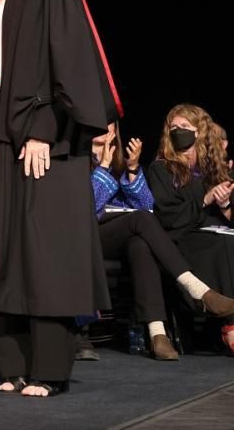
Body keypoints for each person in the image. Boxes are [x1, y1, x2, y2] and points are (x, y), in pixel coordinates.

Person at [0, 0, 122, 397]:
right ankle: (13, 365)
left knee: (46, 250)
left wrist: (44, 128)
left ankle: (51, 369)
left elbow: (71, 62)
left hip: (44, 134)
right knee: (7, 246)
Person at [93, 122, 234, 360]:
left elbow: (146, 206)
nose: (105, 132)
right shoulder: (76, 159)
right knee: (141, 222)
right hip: (87, 234)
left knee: (141, 242)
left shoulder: (120, 161)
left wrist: (132, 168)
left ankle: (157, 333)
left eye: (110, 128)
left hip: (124, 233)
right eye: (98, 126)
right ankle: (199, 290)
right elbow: (86, 207)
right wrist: (103, 166)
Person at [146, 104, 234, 355]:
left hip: (216, 232)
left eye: (185, 127)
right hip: (182, 240)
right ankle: (230, 324)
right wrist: (204, 200)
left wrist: (224, 201)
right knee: (222, 246)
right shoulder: (162, 169)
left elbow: (229, 215)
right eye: (173, 128)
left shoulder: (215, 170)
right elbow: (168, 218)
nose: (178, 132)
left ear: (200, 132)